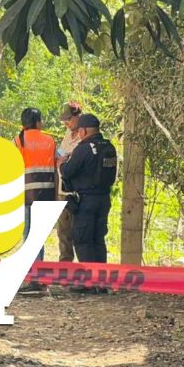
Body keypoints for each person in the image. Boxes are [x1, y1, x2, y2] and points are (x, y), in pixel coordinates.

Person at [59, 114, 117, 268]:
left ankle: (88, 277)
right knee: (98, 239)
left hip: (86, 202)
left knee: (83, 240)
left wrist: (61, 164)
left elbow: (67, 172)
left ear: (83, 131)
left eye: (79, 131)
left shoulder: (83, 149)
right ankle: (101, 277)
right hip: (104, 200)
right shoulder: (109, 147)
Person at [13, 108, 56, 291]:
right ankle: (38, 278)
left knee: (29, 237)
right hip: (46, 194)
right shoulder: (50, 140)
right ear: (38, 122)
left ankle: (35, 279)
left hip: (26, 195)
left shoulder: (18, 141)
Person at [55, 101, 82, 262]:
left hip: (78, 192)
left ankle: (84, 268)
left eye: (69, 119)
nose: (66, 123)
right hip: (62, 189)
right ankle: (65, 265)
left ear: (78, 116)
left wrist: (66, 158)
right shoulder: (68, 133)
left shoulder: (85, 134)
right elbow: (62, 152)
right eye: (64, 120)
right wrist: (59, 156)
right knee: (63, 233)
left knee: (80, 232)